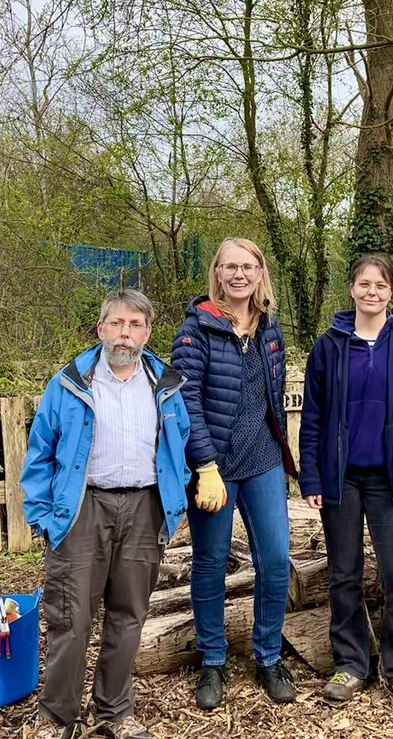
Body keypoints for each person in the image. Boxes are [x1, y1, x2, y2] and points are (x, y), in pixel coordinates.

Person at [21, 289, 190, 739]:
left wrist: (175, 499)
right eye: (117, 323)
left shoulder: (165, 385)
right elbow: (40, 454)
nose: (125, 333)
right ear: (101, 329)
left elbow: (179, 447)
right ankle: (57, 717)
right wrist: (40, 514)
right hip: (82, 509)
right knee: (71, 617)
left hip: (144, 506)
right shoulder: (70, 383)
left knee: (128, 614)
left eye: (135, 325)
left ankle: (115, 711)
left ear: (148, 333)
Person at [298, 253, 393, 712]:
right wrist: (312, 476)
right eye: (364, 284)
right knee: (343, 575)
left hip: (391, 480)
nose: (371, 292)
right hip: (341, 479)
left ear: (391, 292)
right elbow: (313, 419)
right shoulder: (330, 346)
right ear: (352, 289)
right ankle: (351, 664)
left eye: (380, 285)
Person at [171, 237, 296, 710]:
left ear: (260, 272)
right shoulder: (195, 329)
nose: (239, 275)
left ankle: (267, 657)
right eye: (230, 267)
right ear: (217, 274)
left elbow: (271, 397)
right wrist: (204, 466)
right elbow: (186, 403)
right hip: (214, 468)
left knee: (277, 560)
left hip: (263, 461)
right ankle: (213, 661)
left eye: (248, 266)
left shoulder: (270, 328)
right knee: (211, 562)